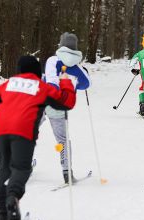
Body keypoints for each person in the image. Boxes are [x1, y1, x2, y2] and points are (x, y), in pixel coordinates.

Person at [0, 56, 76, 220]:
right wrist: (65, 82)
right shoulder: (41, 86)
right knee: (21, 168)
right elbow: (66, 102)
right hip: (23, 129)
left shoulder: (9, 84)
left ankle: (3, 214)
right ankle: (13, 197)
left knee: (4, 168)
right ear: (37, 71)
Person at [43, 32, 91, 184]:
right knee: (63, 140)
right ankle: (67, 173)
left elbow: (50, 81)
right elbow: (86, 83)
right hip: (59, 108)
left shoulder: (53, 60)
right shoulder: (77, 68)